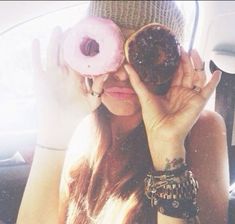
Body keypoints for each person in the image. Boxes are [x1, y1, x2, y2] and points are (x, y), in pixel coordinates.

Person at [17, 1, 229, 224]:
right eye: (102, 49)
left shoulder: (202, 127)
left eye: (146, 55)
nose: (122, 74)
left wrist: (169, 146)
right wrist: (55, 130)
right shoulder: (79, 126)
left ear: (173, 63)